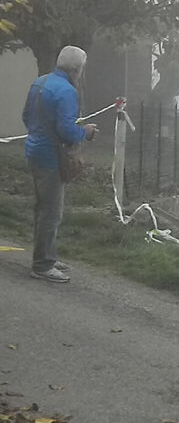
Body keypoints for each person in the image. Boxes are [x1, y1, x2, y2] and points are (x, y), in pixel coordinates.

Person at [22, 45, 98, 283]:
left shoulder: (40, 82)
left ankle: (47, 255)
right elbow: (67, 130)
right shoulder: (66, 91)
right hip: (52, 158)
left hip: (34, 151)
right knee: (51, 212)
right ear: (77, 69)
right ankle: (43, 265)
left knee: (42, 208)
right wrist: (85, 132)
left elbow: (26, 116)